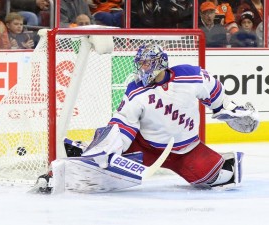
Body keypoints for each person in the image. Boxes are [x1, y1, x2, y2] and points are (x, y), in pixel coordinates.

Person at [35, 44, 259, 193]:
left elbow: (218, 98)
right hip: (146, 147)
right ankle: (76, 158)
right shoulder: (135, 91)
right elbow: (122, 126)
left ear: (159, 62)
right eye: (140, 63)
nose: (141, 68)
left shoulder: (192, 76)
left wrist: (234, 112)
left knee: (223, 177)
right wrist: (103, 153)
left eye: (145, 63)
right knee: (104, 155)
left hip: (188, 151)